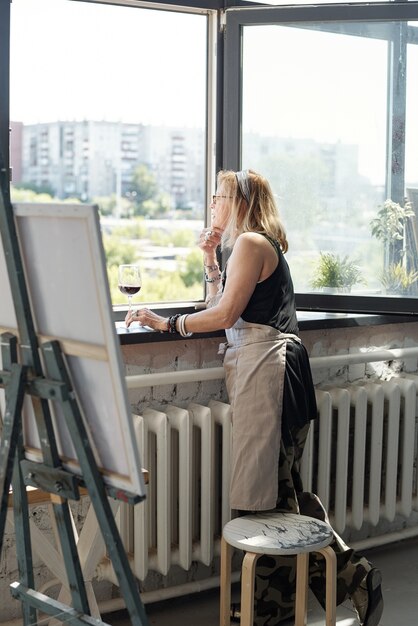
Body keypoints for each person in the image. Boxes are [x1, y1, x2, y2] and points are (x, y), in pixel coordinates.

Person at [125, 169, 384, 626]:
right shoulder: (247, 246)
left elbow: (224, 313)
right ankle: (331, 584)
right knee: (279, 494)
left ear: (238, 200)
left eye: (218, 195)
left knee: (263, 501)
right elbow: (222, 312)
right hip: (269, 375)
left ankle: (279, 607)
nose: (212, 203)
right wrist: (209, 257)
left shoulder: (251, 243)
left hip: (271, 375)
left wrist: (166, 324)